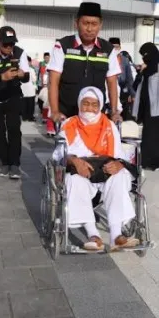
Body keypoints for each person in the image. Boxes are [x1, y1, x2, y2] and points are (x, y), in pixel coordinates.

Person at [52, 86, 139, 251]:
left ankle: (116, 235)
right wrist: (74, 160)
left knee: (119, 176)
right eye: (85, 103)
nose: (89, 108)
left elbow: (120, 155)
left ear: (100, 107)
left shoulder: (109, 125)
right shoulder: (69, 124)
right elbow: (58, 154)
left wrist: (119, 164)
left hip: (106, 169)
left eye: (94, 104)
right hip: (81, 170)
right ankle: (93, 234)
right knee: (74, 180)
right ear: (79, 104)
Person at [48, 2, 122, 124]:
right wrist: (55, 112)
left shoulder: (108, 49)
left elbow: (112, 83)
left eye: (94, 24)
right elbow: (53, 81)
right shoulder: (62, 46)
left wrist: (114, 112)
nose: (89, 28)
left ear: (100, 25)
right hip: (67, 115)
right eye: (85, 23)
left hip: (95, 115)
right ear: (76, 23)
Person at [0, 26, 31, 179]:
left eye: (12, 44)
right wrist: (2, 77)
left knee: (14, 130)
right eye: (6, 44)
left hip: (12, 96)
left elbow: (27, 77)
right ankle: (4, 162)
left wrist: (22, 75)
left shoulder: (20, 52)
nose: (9, 48)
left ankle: (15, 164)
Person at [132, 42, 159, 171]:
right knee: (147, 135)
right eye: (143, 55)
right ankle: (148, 161)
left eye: (146, 54)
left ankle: (156, 161)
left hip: (158, 108)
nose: (145, 57)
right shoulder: (146, 68)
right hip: (145, 108)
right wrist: (140, 72)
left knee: (154, 136)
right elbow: (135, 86)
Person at [109, 38, 135, 121]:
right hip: (109, 89)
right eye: (112, 47)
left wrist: (132, 94)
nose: (115, 49)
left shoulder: (125, 60)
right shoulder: (105, 58)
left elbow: (129, 78)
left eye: (116, 47)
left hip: (123, 90)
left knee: (123, 116)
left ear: (120, 47)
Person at [21, 56, 37, 121]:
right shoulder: (31, 70)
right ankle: (30, 117)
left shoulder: (20, 70)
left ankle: (24, 117)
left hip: (22, 89)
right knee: (30, 104)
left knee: (23, 104)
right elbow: (34, 79)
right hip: (30, 89)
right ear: (30, 62)